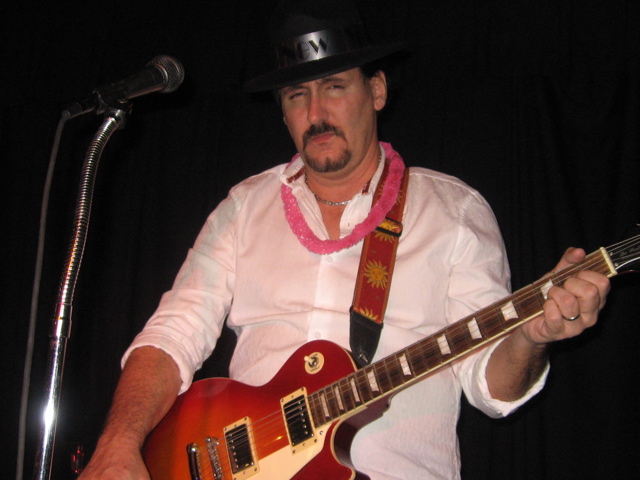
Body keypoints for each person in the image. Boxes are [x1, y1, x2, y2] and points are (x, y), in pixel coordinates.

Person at [78, 1, 611, 479]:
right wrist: (118, 445)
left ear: (376, 91)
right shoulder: (244, 206)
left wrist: (531, 337)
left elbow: (491, 387)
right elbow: (173, 333)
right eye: (297, 95)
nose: (316, 114)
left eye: (334, 86)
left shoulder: (455, 212)